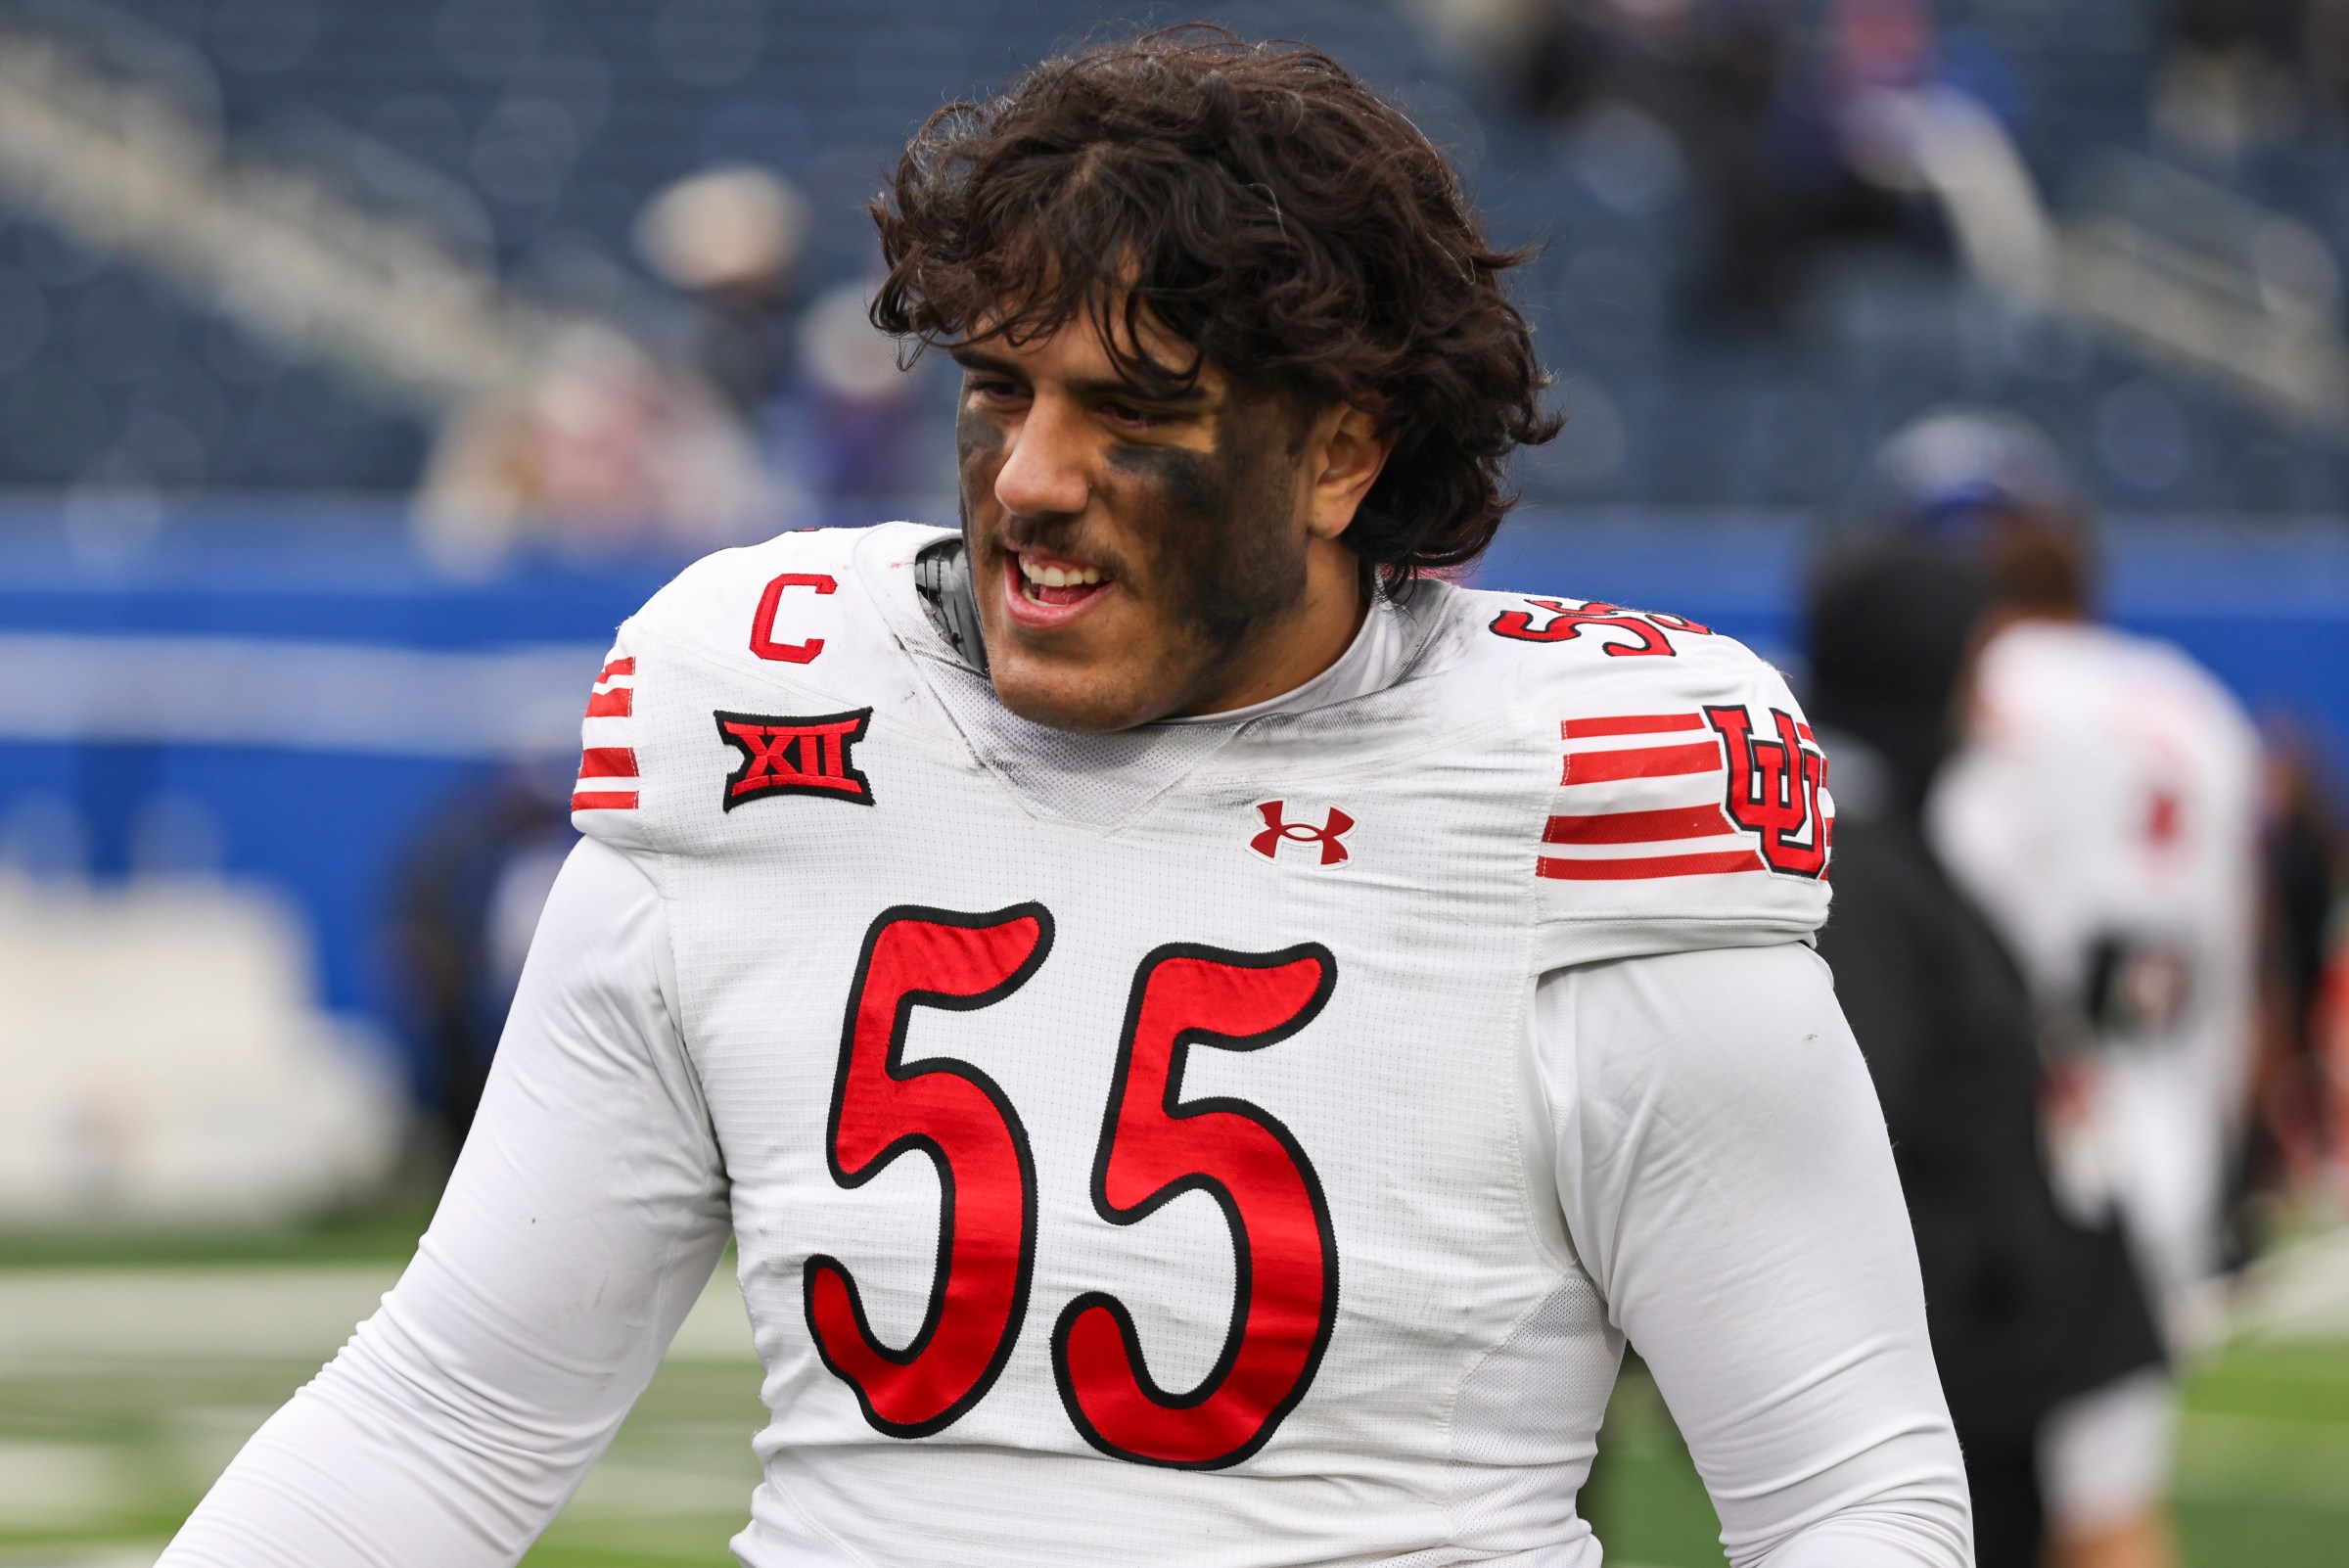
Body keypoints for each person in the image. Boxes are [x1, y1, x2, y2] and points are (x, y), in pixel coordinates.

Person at [160, 30, 1968, 1567]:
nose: (1027, 477)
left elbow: (1851, 1497)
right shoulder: (773, 730)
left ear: (1342, 450)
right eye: (997, 387)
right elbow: (451, 1413)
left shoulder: (1573, 804)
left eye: (1133, 411)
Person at [1883, 408, 2264, 1568]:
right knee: (2109, 1519)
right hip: (2162, 1144)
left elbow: (1939, 925)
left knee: (1922, 1513)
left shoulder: (1991, 696)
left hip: (2015, 1160)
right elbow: (2246, 962)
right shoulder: (2195, 706)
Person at [1806, 539, 2166, 1568]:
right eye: (1969, 669)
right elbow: (1852, 1128)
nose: (1987, 709)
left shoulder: (1890, 847)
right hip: (1941, 1390)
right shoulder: (1862, 871)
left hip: (1975, 1378)